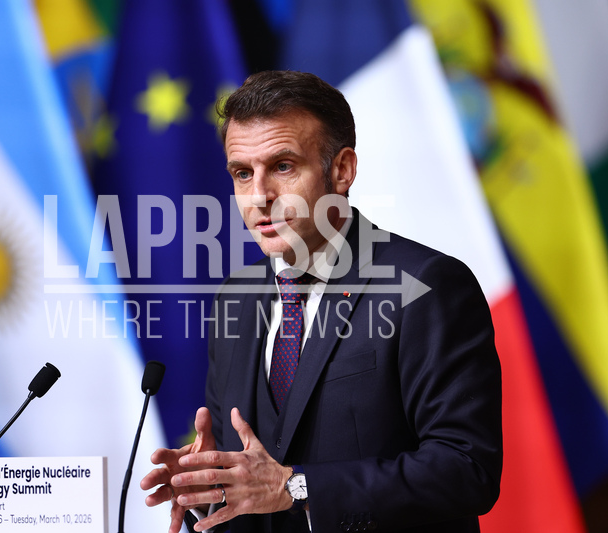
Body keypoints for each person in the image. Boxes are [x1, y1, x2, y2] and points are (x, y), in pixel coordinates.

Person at [140, 70, 502, 533]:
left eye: (283, 167)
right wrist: (210, 487)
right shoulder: (236, 297)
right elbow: (254, 484)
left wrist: (296, 487)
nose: (259, 196)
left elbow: (466, 469)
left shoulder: (424, 285)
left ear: (342, 170)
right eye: (242, 173)